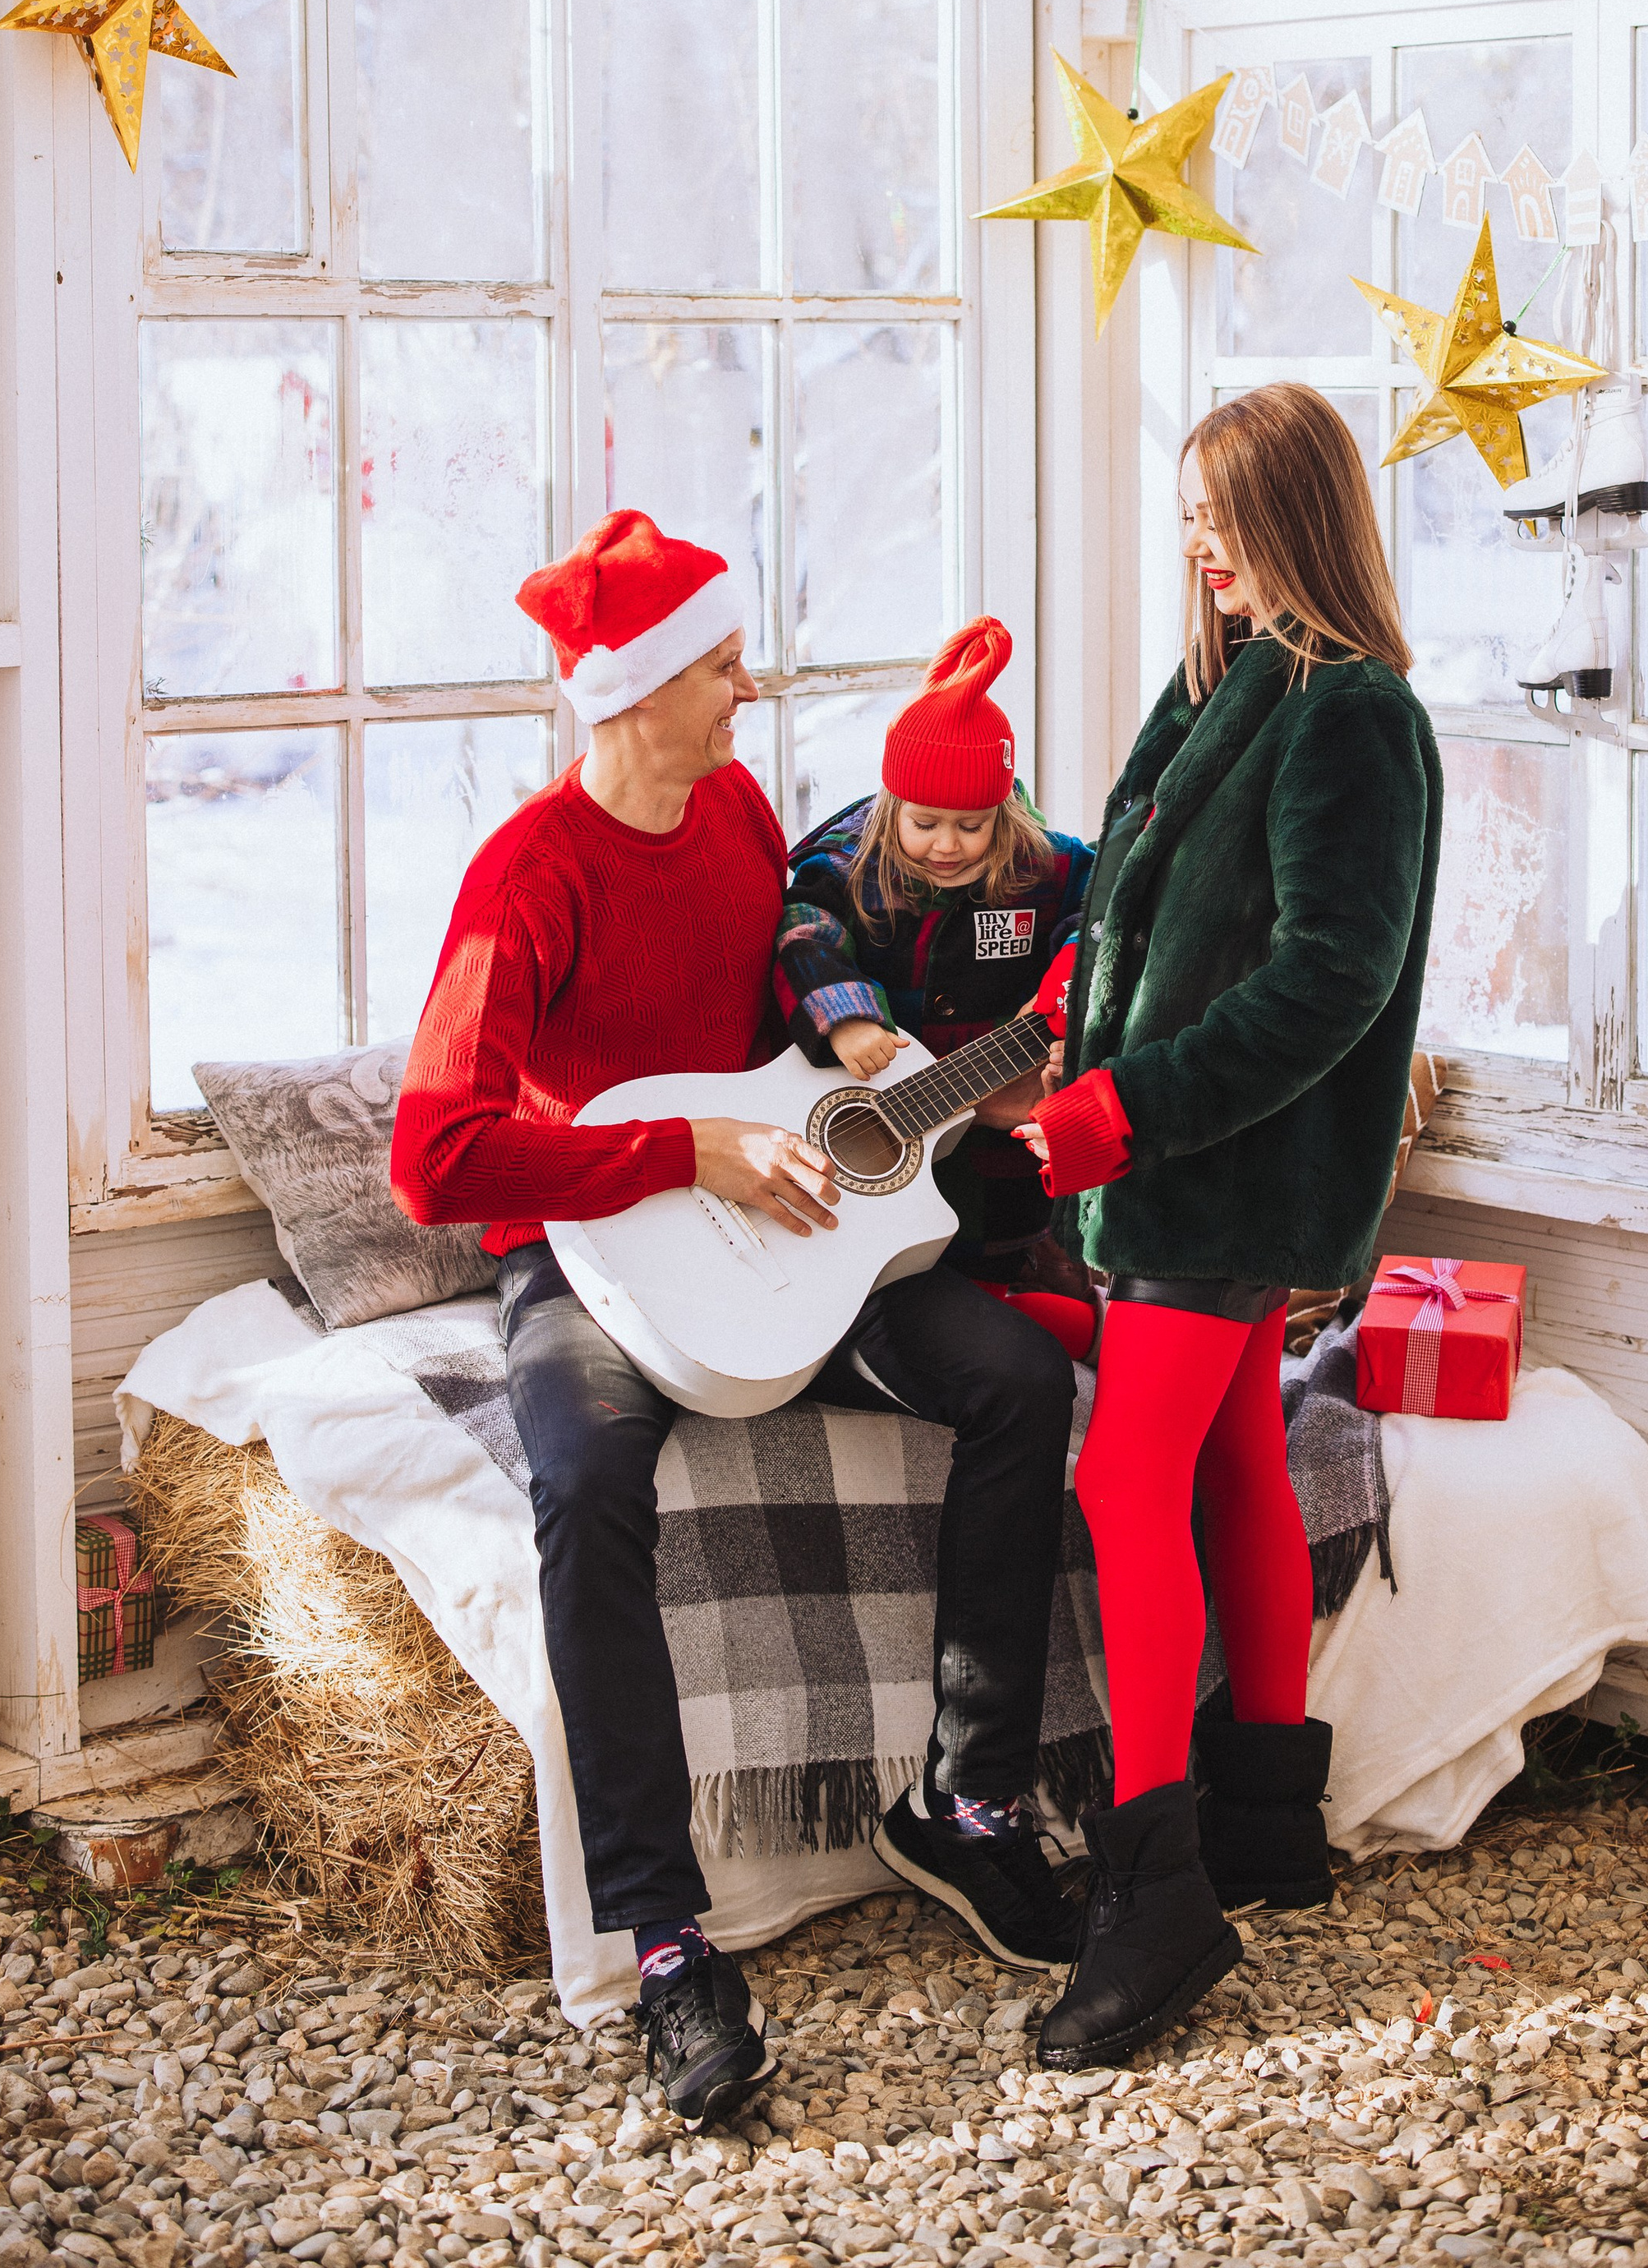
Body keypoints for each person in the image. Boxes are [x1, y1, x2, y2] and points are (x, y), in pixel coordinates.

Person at [389, 509, 1079, 2132]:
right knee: (584, 1482)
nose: (746, 688)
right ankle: (664, 1939)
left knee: (1018, 1375)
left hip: (795, 1238)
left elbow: (789, 1038)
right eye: (718, 665)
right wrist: (680, 1152)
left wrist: (924, 1085)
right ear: (633, 691)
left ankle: (968, 1798)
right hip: (594, 1259)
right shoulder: (526, 876)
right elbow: (433, 1156)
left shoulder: (742, 814)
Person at [1014, 385, 1443, 2070]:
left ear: (1295, 517)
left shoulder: (1354, 712)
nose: (1197, 542)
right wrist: (1071, 995)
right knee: (1232, 1460)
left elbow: (1333, 976)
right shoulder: (1222, 677)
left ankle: (1158, 1890)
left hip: (1226, 1171)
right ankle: (1268, 1820)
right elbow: (1136, 895)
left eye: (1224, 513)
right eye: (1187, 511)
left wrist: (1129, 1105)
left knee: (1123, 1479)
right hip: (1174, 1164)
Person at [772, 615, 1099, 1363]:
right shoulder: (848, 866)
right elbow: (803, 929)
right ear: (894, 805)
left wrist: (1063, 990)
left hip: (999, 1149)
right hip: (881, 1126)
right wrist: (845, 1016)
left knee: (995, 1255)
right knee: (903, 1268)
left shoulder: (1044, 865)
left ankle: (1040, 1303)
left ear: (1003, 812)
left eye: (971, 826)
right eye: (924, 823)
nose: (947, 846)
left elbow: (1102, 912)